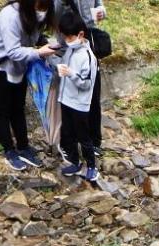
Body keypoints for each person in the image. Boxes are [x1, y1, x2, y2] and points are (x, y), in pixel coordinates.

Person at [0, 0, 56, 172]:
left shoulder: (38, 13)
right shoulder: (10, 15)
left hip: (19, 66)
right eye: (40, 6)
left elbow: (34, 37)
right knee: (3, 110)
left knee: (18, 108)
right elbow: (12, 51)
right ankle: (9, 150)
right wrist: (39, 52)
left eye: (45, 8)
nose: (42, 11)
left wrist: (46, 42)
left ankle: (23, 146)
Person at [54, 0, 107, 155]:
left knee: (92, 95)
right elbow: (54, 17)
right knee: (68, 100)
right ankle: (69, 144)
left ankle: (93, 141)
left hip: (87, 45)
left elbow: (99, 5)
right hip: (67, 48)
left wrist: (101, 12)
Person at [56, 12, 99, 182]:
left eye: (69, 37)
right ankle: (75, 162)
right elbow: (64, 65)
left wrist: (71, 74)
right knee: (68, 134)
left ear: (81, 35)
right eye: (64, 36)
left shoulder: (87, 56)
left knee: (84, 137)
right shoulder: (70, 50)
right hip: (66, 100)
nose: (66, 40)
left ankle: (91, 166)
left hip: (80, 104)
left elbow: (87, 84)